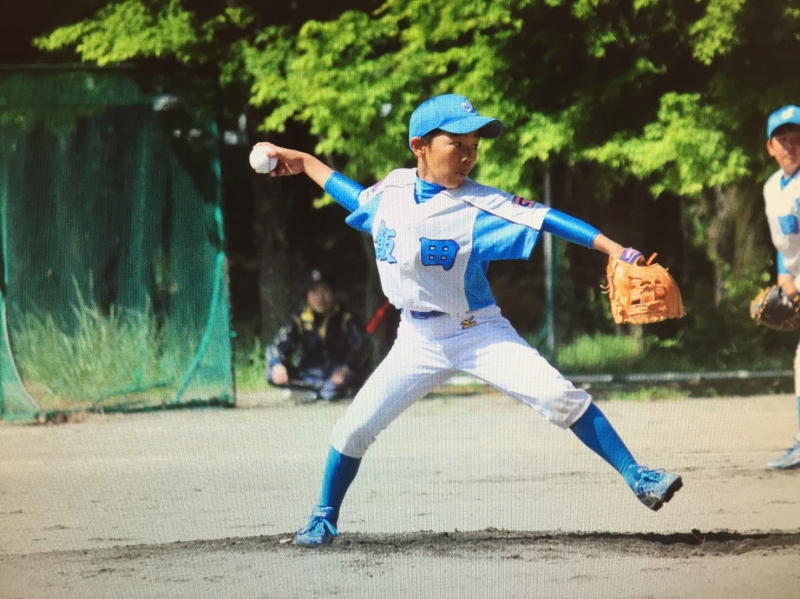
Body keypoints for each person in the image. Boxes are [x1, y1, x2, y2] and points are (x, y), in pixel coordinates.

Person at [253, 93, 683, 547]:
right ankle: (323, 518)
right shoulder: (392, 191)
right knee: (354, 427)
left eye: (474, 146)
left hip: (478, 332)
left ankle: (638, 476)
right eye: (456, 144)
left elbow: (548, 219)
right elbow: (353, 196)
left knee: (559, 395)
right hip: (416, 339)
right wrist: (305, 162)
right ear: (419, 146)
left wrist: (614, 249)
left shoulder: (482, 204)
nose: (468, 155)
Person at [760, 104, 800, 470]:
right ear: (770, 147)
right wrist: (784, 279)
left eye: (797, 137)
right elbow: (783, 245)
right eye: (782, 139)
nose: (790, 145)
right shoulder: (772, 187)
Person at [266, 269, 370, 402]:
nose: (320, 297)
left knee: (341, 385)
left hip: (338, 374)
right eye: (314, 292)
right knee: (270, 374)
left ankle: (311, 393)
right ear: (307, 295)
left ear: (333, 293)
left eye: (325, 290)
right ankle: (313, 392)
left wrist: (346, 369)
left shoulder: (347, 317)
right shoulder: (300, 319)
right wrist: (277, 365)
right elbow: (278, 345)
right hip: (309, 374)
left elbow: (361, 345)